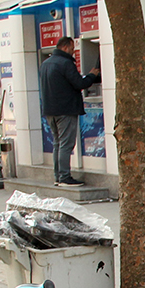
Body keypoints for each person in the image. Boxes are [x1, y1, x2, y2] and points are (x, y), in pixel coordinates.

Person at [38, 37, 101, 187]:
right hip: (65, 110)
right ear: (66, 47)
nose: (73, 52)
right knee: (66, 144)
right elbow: (80, 83)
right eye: (72, 49)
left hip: (50, 111)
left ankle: (58, 176)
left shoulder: (45, 64)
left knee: (57, 144)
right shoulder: (66, 63)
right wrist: (92, 75)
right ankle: (65, 177)